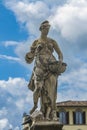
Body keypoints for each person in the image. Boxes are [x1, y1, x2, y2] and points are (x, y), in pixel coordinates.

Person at [25, 20, 64, 120]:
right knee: (38, 87)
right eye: (46, 28)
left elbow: (60, 54)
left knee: (51, 92)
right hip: (39, 66)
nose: (47, 30)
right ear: (41, 29)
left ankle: (52, 113)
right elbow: (29, 59)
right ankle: (34, 105)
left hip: (51, 66)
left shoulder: (52, 41)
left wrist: (60, 61)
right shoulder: (36, 42)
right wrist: (34, 52)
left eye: (48, 29)